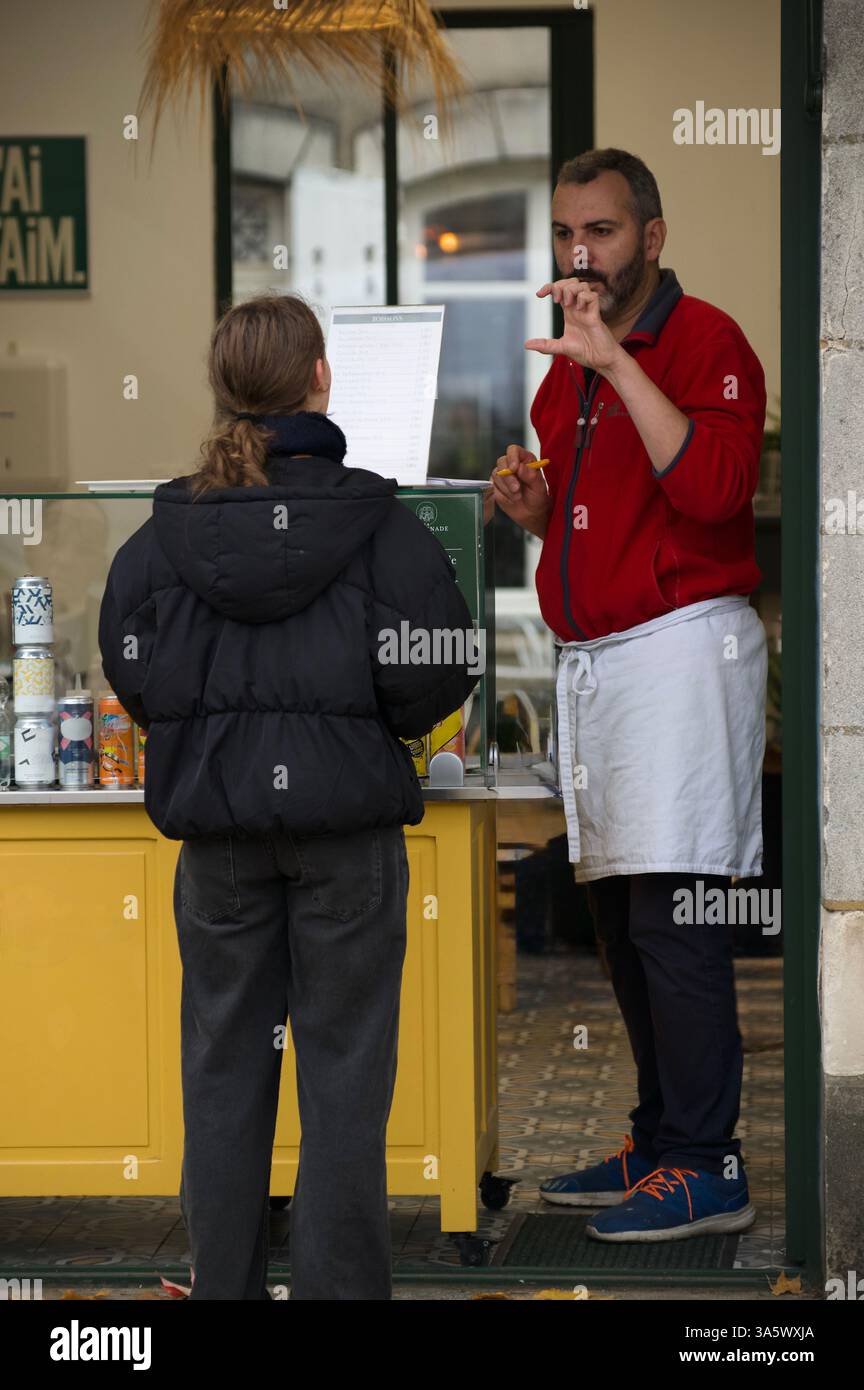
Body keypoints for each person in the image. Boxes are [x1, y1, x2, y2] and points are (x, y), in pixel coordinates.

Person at [98, 291, 480, 1298]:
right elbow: (438, 670)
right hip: (350, 845)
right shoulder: (380, 526)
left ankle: (219, 1286)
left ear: (224, 390)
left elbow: (132, 668)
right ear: (321, 377)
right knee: (345, 1082)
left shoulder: (163, 538)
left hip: (218, 849)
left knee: (222, 1077)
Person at [487, 148, 767, 1242]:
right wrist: (534, 505)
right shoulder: (565, 370)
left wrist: (619, 365)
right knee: (613, 911)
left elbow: (714, 489)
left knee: (676, 911)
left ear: (652, 235)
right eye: (564, 233)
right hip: (598, 664)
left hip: (685, 654)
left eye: (599, 231)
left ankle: (711, 1162)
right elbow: (594, 517)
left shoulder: (707, 342)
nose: (578, 253)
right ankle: (661, 1139)